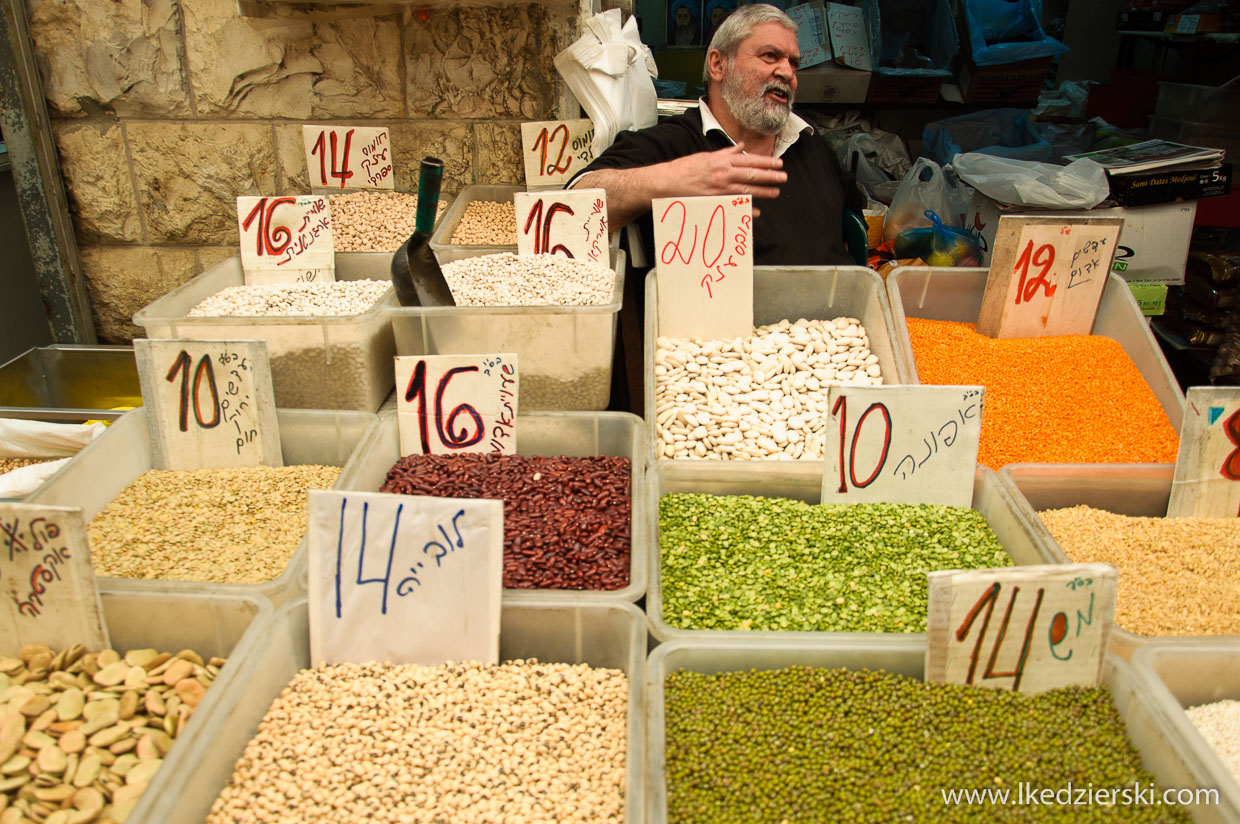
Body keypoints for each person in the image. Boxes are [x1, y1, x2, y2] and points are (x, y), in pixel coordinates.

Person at [571, 3, 863, 267]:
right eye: (770, 56)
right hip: (722, 325)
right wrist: (668, 179)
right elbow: (571, 206)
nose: (787, 72)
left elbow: (854, 230)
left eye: (793, 63)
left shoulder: (811, 142)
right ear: (718, 64)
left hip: (834, 323)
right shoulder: (674, 143)